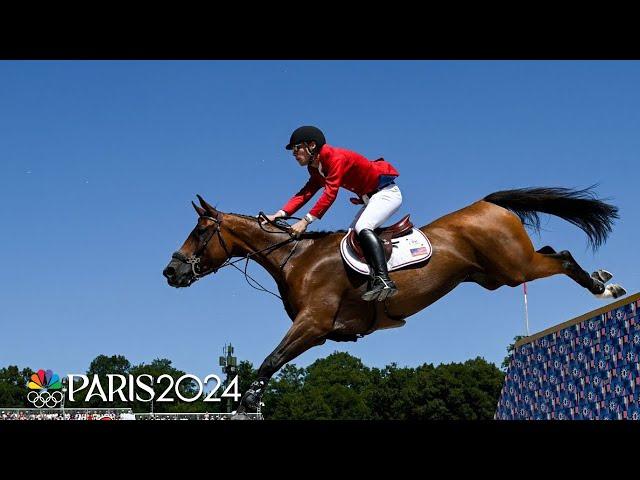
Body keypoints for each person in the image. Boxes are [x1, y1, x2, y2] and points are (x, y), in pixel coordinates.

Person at [264, 126, 403, 301]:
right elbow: (307, 192)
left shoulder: (335, 158)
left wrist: (305, 221)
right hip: (370, 199)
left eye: (296, 148)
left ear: (311, 145)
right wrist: (279, 214)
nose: (294, 153)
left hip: (386, 194)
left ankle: (383, 279)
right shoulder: (314, 167)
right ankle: (367, 281)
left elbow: (330, 193)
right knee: (351, 236)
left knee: (362, 227)